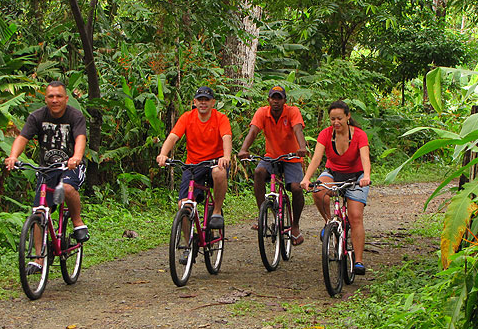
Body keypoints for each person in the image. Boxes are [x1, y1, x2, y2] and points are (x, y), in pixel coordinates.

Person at [5, 80, 89, 274]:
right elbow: (22, 138)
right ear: (45, 98)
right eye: (51, 96)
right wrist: (13, 156)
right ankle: (38, 258)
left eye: (59, 96)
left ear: (66, 98)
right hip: (47, 169)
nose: (55, 100)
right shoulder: (37, 117)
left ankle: (77, 221)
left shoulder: (75, 116)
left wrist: (76, 157)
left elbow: (80, 139)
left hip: (70, 167)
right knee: (39, 210)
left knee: (68, 189)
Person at [300, 100, 371, 275]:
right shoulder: (325, 135)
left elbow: (365, 158)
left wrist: (367, 176)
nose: (336, 122)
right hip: (333, 173)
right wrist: (307, 178)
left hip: (356, 177)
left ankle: (359, 261)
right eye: (332, 119)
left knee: (355, 216)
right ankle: (328, 221)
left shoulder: (359, 135)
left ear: (348, 117)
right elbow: (317, 158)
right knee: (318, 192)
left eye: (339, 118)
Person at [238, 85, 307, 246]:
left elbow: (298, 130)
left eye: (279, 98)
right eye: (273, 98)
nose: (276, 101)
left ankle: (295, 225)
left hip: (292, 157)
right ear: (268, 100)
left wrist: (302, 147)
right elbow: (253, 132)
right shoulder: (262, 112)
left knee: (296, 188)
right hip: (271, 157)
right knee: (259, 172)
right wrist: (243, 150)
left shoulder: (292, 112)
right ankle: (262, 215)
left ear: (284, 100)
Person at [156, 86, 232, 230]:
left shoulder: (220, 118)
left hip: (214, 162)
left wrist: (226, 156)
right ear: (195, 102)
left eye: (207, 100)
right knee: (183, 205)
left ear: (213, 102)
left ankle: (216, 211)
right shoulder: (187, 117)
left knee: (219, 172)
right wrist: (163, 154)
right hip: (193, 164)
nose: (203, 103)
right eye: (200, 100)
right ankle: (188, 247)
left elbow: (226, 137)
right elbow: (173, 137)